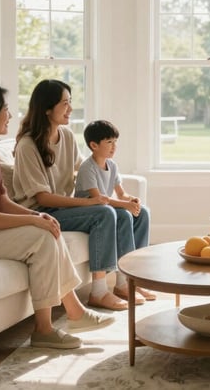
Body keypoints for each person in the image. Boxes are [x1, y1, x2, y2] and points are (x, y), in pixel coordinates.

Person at [0, 83, 114, 351]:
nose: (10, 116)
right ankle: (52, 325)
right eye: (4, 110)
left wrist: (39, 216)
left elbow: (1, 200)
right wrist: (34, 220)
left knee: (47, 228)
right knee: (40, 233)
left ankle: (69, 316)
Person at [13, 80, 154, 312]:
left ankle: (128, 281)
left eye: (70, 102)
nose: (70, 108)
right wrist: (92, 202)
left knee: (140, 213)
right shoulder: (28, 146)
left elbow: (85, 168)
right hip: (42, 213)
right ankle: (98, 292)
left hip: (66, 209)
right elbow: (43, 198)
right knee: (103, 213)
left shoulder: (66, 136)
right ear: (47, 108)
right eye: (65, 103)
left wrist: (123, 198)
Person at [74, 119, 152, 301]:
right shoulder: (88, 168)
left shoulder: (113, 165)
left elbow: (121, 193)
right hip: (91, 213)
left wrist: (131, 200)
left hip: (106, 208)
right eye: (109, 142)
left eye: (115, 142)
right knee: (125, 214)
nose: (114, 147)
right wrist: (125, 205)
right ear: (94, 145)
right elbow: (99, 199)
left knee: (143, 212)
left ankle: (135, 277)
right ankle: (122, 283)